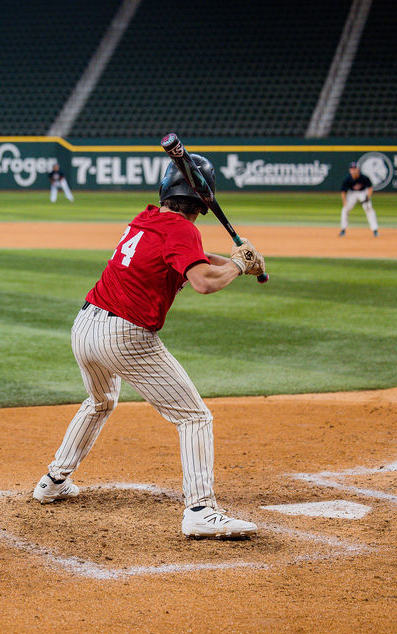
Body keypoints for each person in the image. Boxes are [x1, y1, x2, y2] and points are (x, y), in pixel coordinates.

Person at [31, 154, 265, 539]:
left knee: (100, 401)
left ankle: (53, 481)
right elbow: (204, 281)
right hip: (124, 336)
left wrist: (239, 262)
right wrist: (238, 266)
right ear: (204, 202)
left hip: (85, 326)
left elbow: (194, 260)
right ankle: (201, 510)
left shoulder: (145, 219)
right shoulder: (183, 231)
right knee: (194, 417)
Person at [339, 161, 379, 237]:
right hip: (352, 193)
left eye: (355, 169)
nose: (353, 171)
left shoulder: (364, 178)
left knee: (368, 208)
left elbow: (370, 188)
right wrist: (344, 201)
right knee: (345, 209)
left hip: (362, 192)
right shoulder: (347, 179)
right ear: (350, 170)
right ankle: (343, 229)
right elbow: (343, 191)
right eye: (352, 169)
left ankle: (375, 230)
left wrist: (367, 197)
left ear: (358, 169)